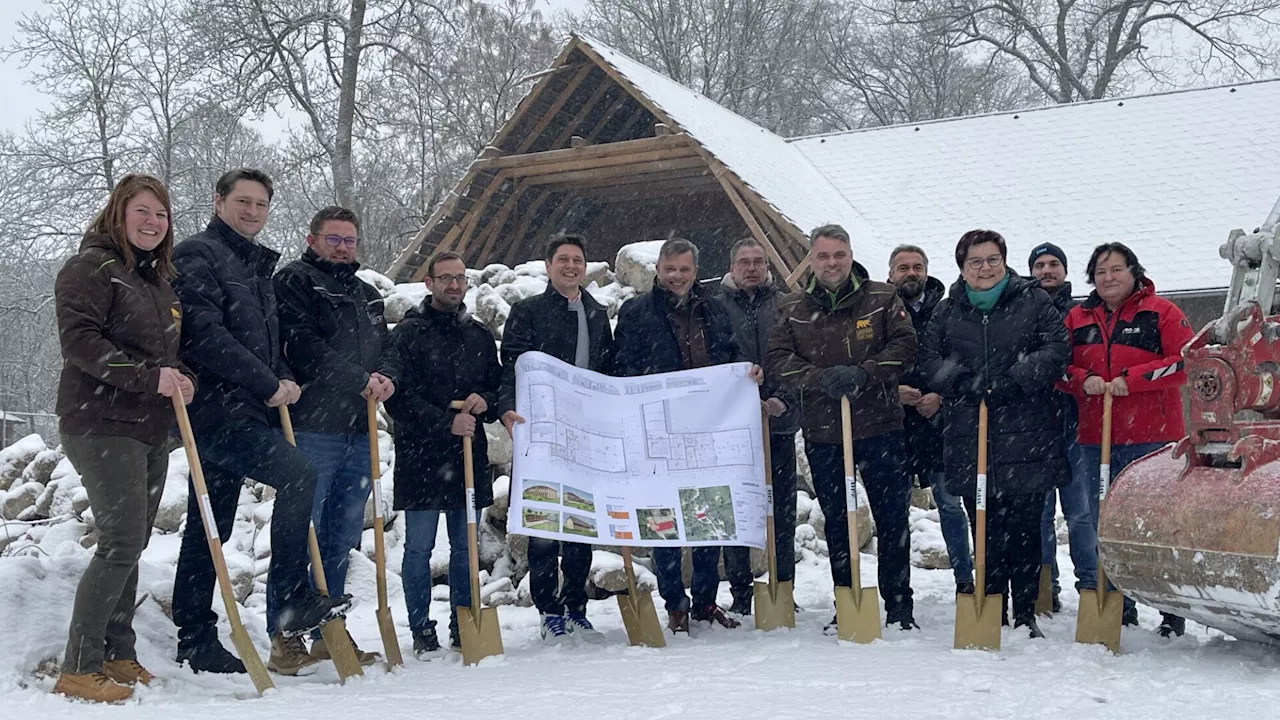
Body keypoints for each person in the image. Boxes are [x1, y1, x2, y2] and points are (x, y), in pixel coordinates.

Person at [171, 169, 348, 675]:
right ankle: (292, 598)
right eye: (243, 202)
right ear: (218, 200)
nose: (252, 212)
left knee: (211, 527)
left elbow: (270, 343)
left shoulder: (254, 267)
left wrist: (284, 377)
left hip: (249, 408)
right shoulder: (197, 255)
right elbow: (203, 336)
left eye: (261, 204)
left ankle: (195, 636)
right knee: (299, 473)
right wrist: (266, 384)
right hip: (215, 410)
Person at [51, 174, 195, 702]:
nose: (153, 222)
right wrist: (147, 377)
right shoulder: (92, 268)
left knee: (131, 544)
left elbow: (165, 357)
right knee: (120, 543)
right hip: (100, 424)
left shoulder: (157, 281)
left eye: (161, 214)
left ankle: (117, 654)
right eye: (143, 211)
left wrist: (180, 377)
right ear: (118, 212)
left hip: (149, 426)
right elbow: (80, 342)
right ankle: (78, 666)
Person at [918, 229, 1070, 638]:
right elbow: (928, 359)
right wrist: (965, 381)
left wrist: (1013, 379)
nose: (984, 269)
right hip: (971, 433)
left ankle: (1024, 611)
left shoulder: (1032, 300)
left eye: (992, 260)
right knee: (983, 524)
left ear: (1004, 261)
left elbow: (1056, 349)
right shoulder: (949, 311)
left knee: (1025, 527)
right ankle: (990, 607)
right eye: (975, 262)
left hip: (1026, 432)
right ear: (962, 268)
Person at [768, 224, 919, 631]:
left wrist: (864, 374)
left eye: (839, 255)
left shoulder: (882, 298)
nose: (831, 263)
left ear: (850, 255)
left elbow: (904, 346)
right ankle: (846, 599)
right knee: (839, 518)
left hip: (881, 425)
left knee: (891, 519)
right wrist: (820, 379)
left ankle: (899, 603)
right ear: (811, 261)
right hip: (824, 431)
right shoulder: (793, 308)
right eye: (823, 256)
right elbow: (779, 358)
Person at [270, 206, 400, 669]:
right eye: (333, 239)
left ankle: (330, 629)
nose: (342, 248)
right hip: (311, 425)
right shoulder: (296, 282)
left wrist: (385, 376)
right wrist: (358, 378)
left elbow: (388, 349)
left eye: (349, 240)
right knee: (299, 531)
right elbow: (302, 346)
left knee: (340, 535)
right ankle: (284, 631)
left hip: (358, 428)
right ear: (312, 239)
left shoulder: (367, 294)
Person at [613, 237, 763, 633]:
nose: (677, 276)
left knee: (707, 518)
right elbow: (621, 366)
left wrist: (745, 376)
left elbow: (728, 355)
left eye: (684, 269)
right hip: (657, 431)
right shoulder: (637, 311)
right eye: (669, 269)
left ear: (695, 271)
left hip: (705, 430)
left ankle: (705, 600)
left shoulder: (713, 308)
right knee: (662, 521)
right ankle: (675, 603)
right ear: (658, 270)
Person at [1060, 242, 1193, 637]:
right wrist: (1085, 380)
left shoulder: (1161, 312)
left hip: (1151, 439)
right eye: (1101, 272)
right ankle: (1118, 603)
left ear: (1133, 272)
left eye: (1116, 269)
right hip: (1093, 437)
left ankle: (1171, 608)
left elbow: (1185, 361)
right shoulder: (1077, 318)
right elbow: (1058, 367)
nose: (1108, 278)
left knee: (1155, 523)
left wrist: (1129, 382)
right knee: (1101, 521)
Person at [498, 234, 615, 643]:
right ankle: (549, 609)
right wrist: (506, 408)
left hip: (584, 434)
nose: (571, 267)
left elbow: (609, 371)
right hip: (543, 433)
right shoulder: (528, 312)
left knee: (581, 524)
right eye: (562, 260)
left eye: (578, 261)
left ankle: (575, 605)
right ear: (547, 266)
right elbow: (511, 365)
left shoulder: (597, 314)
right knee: (545, 524)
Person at [385, 251, 501, 655]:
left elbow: (495, 385)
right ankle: (420, 626)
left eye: (460, 278)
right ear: (429, 282)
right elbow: (397, 399)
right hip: (422, 458)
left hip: (468, 454)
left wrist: (484, 401)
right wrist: (444, 422)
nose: (454, 285)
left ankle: (463, 621)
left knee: (466, 545)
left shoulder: (480, 335)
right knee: (418, 547)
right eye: (446, 278)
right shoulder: (407, 334)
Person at [709, 237, 801, 616]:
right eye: (744, 262)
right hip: (732, 428)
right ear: (731, 267)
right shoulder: (714, 307)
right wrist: (742, 402)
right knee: (736, 512)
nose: (751, 268)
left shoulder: (786, 305)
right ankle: (742, 592)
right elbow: (714, 358)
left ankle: (782, 587)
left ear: (767, 267)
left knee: (782, 511)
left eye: (758, 262)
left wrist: (782, 398)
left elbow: (798, 356)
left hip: (777, 423)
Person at [888, 244, 973, 592]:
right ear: (891, 274)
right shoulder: (880, 309)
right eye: (903, 268)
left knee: (950, 504)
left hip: (940, 422)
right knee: (893, 510)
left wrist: (940, 394)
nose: (911, 273)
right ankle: (896, 586)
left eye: (917, 267)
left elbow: (960, 357)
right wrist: (892, 390)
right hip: (892, 424)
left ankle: (965, 578)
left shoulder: (948, 309)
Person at [1027, 242, 1096, 612]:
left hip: (1074, 426)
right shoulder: (1022, 311)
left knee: (1081, 514)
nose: (1046, 270)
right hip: (1033, 428)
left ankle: (1091, 584)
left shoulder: (1083, 313)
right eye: (1039, 265)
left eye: (1054, 264)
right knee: (1039, 515)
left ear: (1065, 271)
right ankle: (1044, 587)